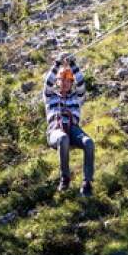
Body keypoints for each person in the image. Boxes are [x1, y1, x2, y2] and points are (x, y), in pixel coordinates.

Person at [43, 54, 95, 196]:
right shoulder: (50, 97)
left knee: (89, 143)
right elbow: (47, 83)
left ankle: (87, 182)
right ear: (58, 81)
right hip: (56, 130)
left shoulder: (76, 98)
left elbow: (82, 83)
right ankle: (65, 178)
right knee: (63, 139)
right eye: (62, 80)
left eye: (68, 81)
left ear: (71, 83)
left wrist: (72, 64)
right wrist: (57, 63)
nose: (65, 83)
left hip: (73, 130)